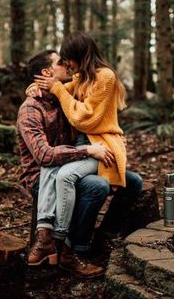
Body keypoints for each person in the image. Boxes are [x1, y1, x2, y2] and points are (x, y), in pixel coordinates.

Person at [33, 32, 143, 242]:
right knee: (99, 185)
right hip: (86, 145)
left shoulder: (105, 77)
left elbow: (86, 118)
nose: (67, 64)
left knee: (134, 183)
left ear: (79, 55)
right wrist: (36, 87)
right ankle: (76, 242)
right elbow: (60, 90)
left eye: (68, 59)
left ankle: (105, 234)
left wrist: (57, 89)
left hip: (101, 144)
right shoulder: (81, 77)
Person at [17, 49, 111, 278]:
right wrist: (87, 150)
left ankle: (80, 246)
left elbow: (95, 109)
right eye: (61, 62)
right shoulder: (30, 108)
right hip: (42, 177)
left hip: (69, 168)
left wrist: (112, 138)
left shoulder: (65, 98)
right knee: (95, 187)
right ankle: (66, 251)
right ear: (47, 72)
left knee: (129, 182)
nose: (67, 65)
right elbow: (44, 156)